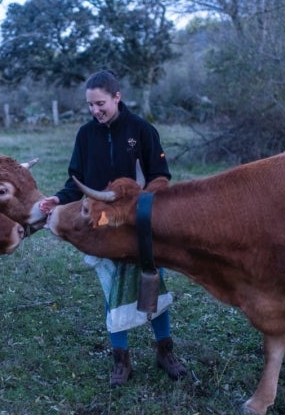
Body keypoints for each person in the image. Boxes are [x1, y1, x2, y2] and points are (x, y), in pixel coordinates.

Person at [39, 69, 187, 387]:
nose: (95, 111)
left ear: (117, 98)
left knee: (153, 284)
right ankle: (121, 360)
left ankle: (165, 352)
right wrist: (57, 198)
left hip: (140, 225)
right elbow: (74, 182)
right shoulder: (85, 135)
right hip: (101, 226)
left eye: (101, 104)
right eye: (90, 105)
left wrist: (139, 208)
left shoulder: (142, 130)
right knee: (111, 290)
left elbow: (161, 176)